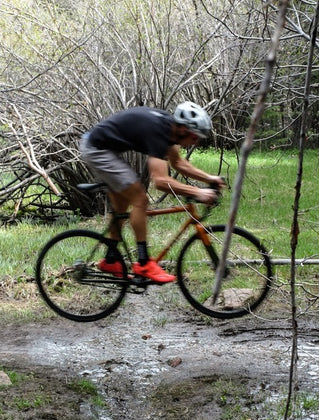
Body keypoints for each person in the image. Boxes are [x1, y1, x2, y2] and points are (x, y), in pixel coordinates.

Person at [79, 102, 226, 284]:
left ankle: (111, 260)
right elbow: (161, 181)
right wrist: (198, 192)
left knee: (122, 207)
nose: (195, 142)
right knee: (140, 200)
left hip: (105, 148)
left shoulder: (170, 131)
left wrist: (209, 179)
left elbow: (178, 163)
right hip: (96, 149)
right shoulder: (159, 132)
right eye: (195, 137)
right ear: (183, 129)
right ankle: (143, 263)